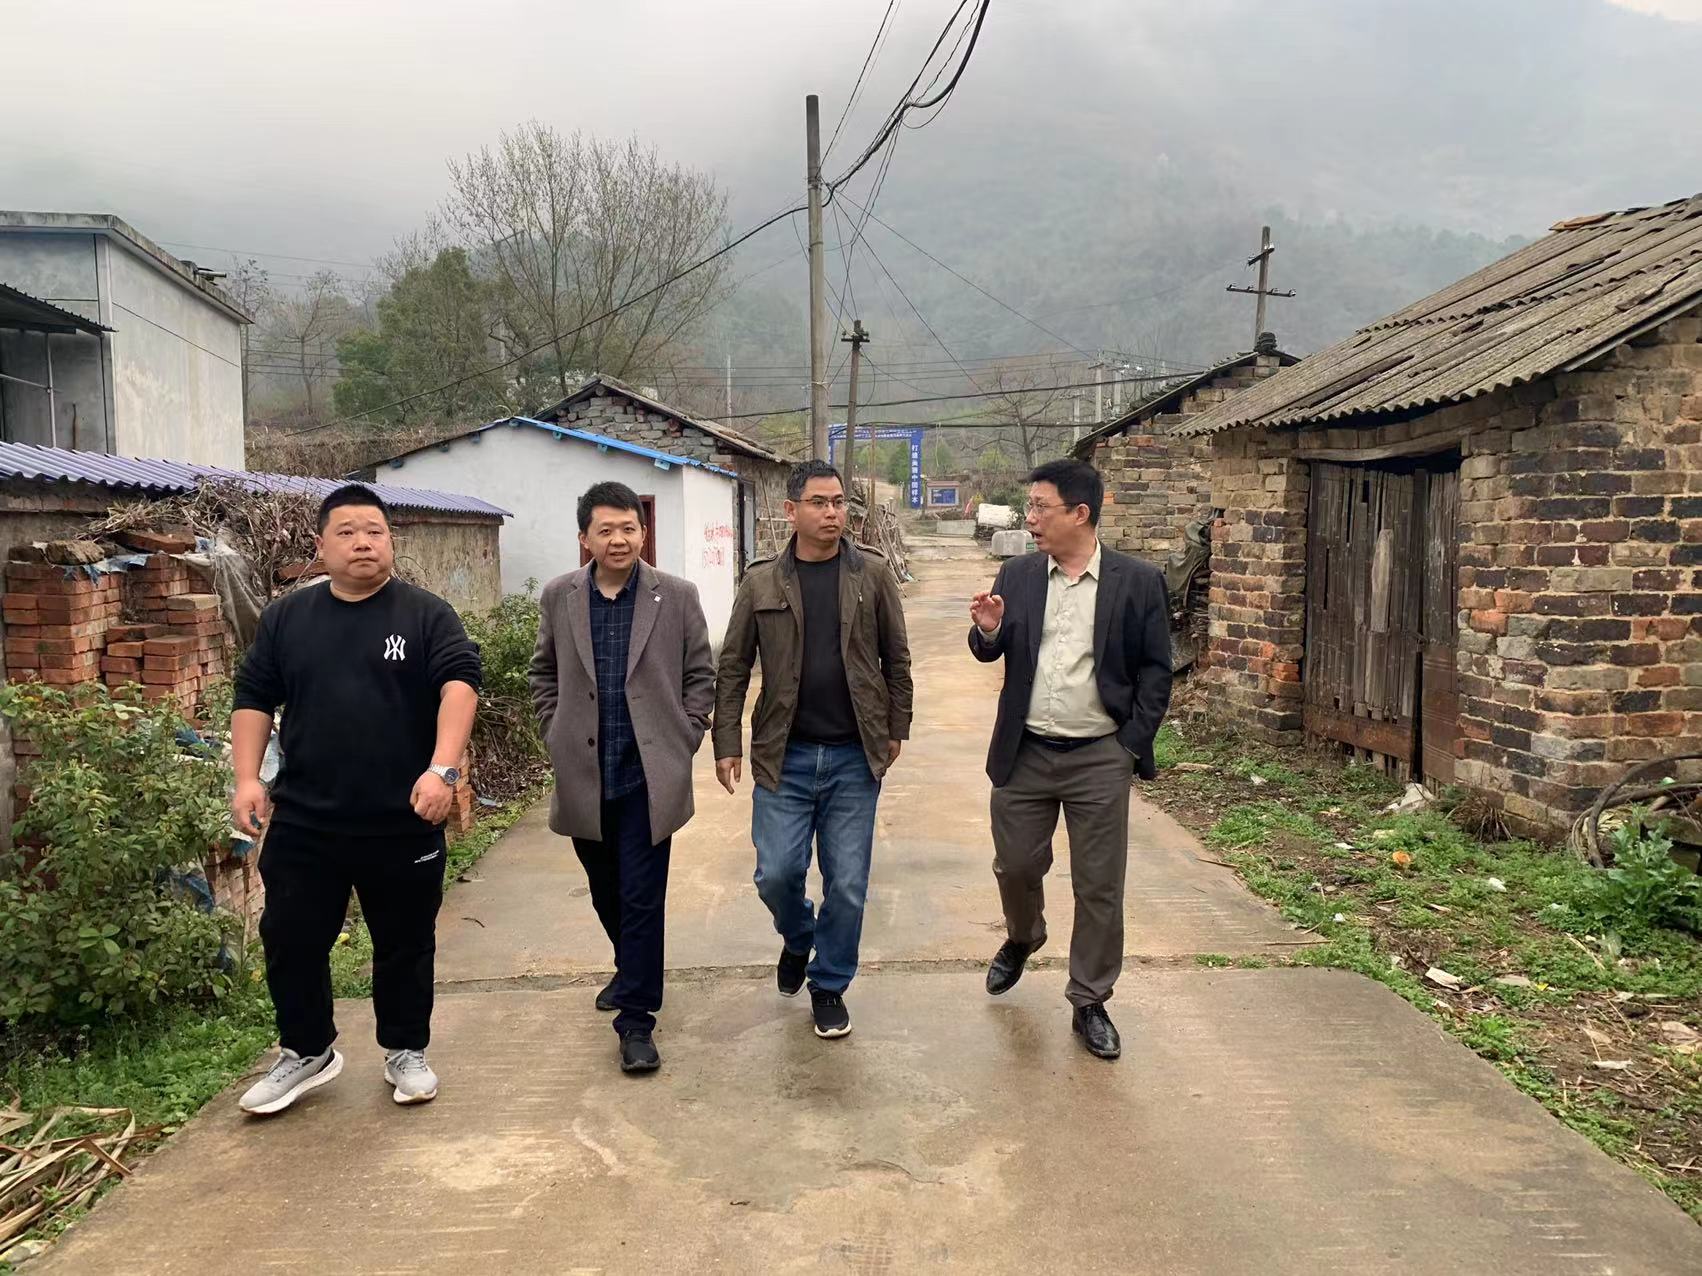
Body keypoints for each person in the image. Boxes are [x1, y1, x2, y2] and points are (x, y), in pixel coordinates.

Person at [232, 483, 481, 1114]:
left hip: (402, 818)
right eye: (346, 532)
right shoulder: (288, 618)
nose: (363, 542)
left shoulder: (425, 615)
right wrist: (246, 778)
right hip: (307, 819)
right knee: (289, 936)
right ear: (320, 546)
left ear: (391, 542)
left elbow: (459, 685)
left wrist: (443, 770)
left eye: (375, 531)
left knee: (404, 942)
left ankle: (406, 1050)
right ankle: (307, 1050)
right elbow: (254, 696)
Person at [968, 459, 1171, 1060]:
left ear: (1080, 513)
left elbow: (1157, 670)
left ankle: (1089, 998)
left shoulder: (1138, 581)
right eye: (1029, 507)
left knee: (1099, 884)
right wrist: (989, 632)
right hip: (1025, 750)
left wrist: (1129, 745)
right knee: (1015, 866)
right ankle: (1024, 936)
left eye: (1040, 507)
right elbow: (990, 649)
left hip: (1100, 755)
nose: (1030, 518)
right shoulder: (1019, 574)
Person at [714, 460, 912, 1041]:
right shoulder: (760, 583)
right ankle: (799, 938)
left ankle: (828, 985)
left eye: (839, 502)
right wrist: (726, 741)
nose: (832, 513)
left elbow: (897, 658)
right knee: (776, 874)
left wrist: (897, 727)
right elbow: (733, 667)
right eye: (819, 502)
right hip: (785, 755)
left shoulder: (872, 574)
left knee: (847, 884)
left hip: (854, 755)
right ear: (791, 510)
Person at [527, 481, 713, 1073]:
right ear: (585, 537)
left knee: (641, 898)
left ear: (643, 532)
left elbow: (700, 673)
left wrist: (687, 734)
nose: (618, 539)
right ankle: (631, 967)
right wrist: (553, 729)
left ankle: (636, 1020)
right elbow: (543, 672)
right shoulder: (560, 596)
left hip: (647, 777)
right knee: (606, 890)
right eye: (605, 530)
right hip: (585, 774)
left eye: (628, 528)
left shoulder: (675, 596)